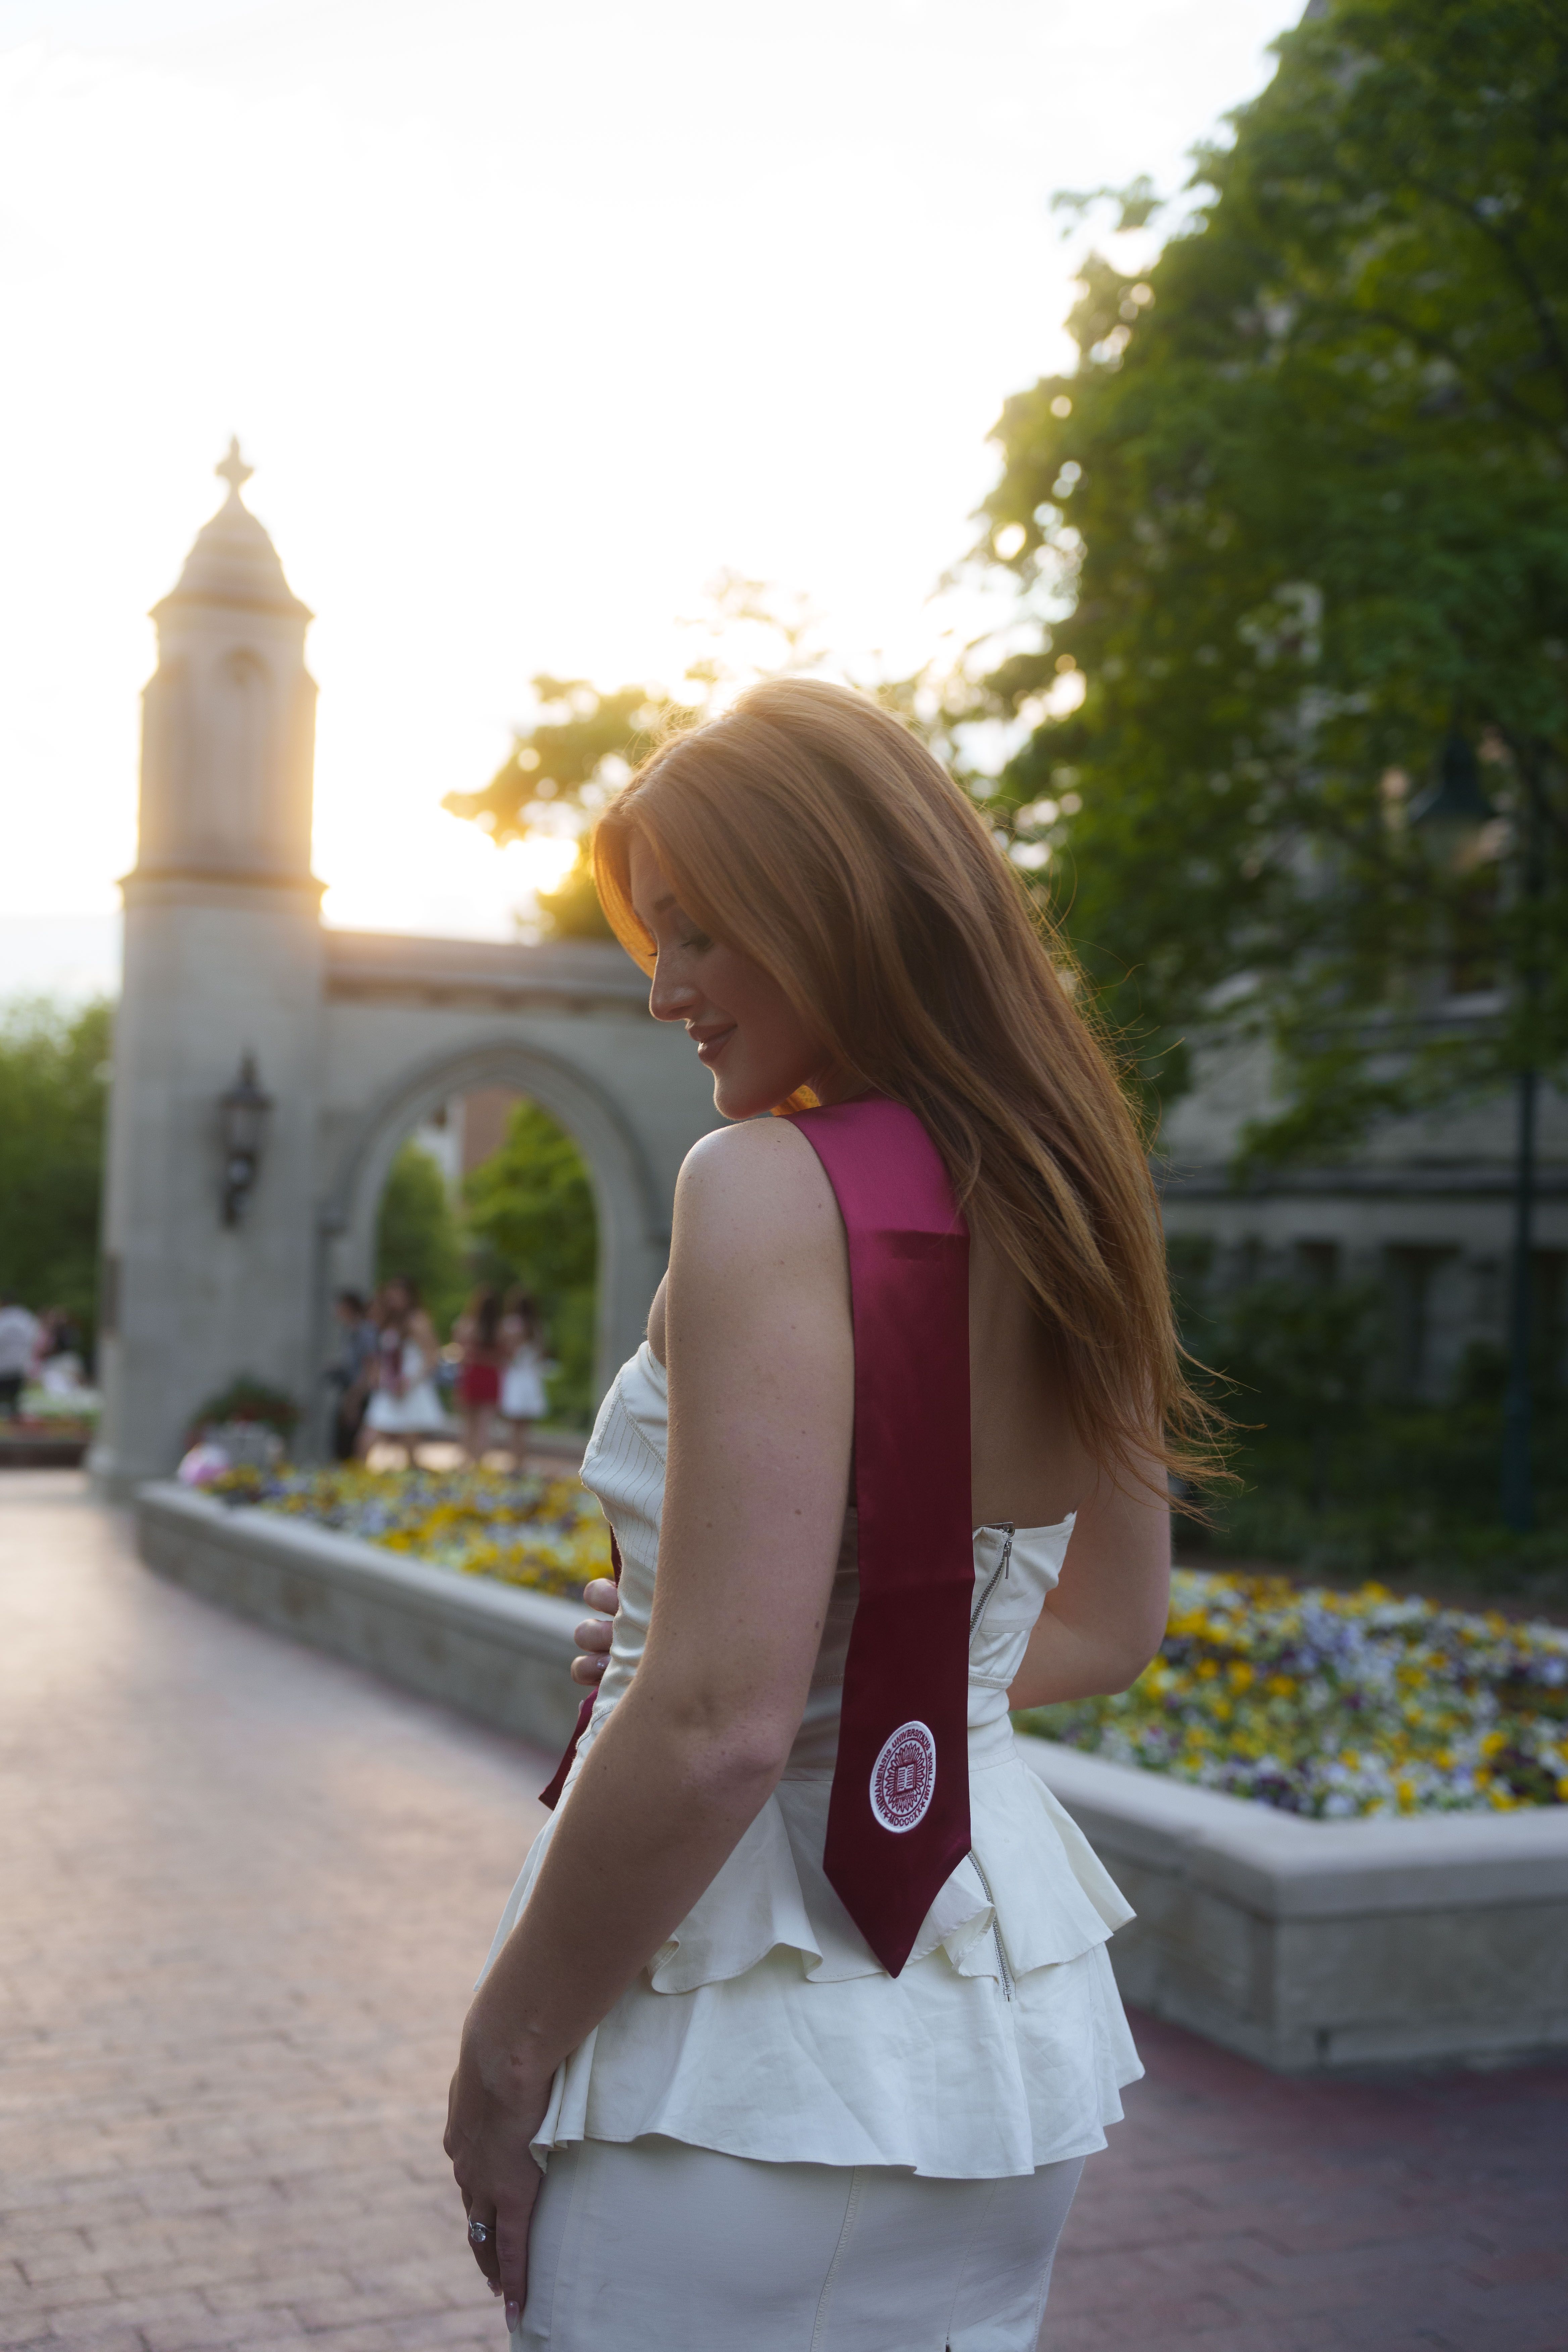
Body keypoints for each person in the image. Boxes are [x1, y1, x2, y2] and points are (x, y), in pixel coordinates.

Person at [443, 679, 1220, 2349]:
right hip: (992, 2040)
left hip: (740, 2054)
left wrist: (502, 2061)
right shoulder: (1074, 1177)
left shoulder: (757, 1187)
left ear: (839, 905)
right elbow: (1107, 1629)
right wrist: (819, 1662)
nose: (665, 992)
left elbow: (721, 1726)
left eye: (704, 936)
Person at [358, 1276, 448, 1460]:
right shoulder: (387, 1321)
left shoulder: (418, 1320)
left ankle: (414, 1486)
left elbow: (432, 1357)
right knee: (366, 1442)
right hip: (388, 1388)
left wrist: (410, 1382)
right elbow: (379, 1354)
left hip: (410, 1387)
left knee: (411, 1447)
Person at [498, 1288, 550, 1470]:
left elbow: (507, 1353)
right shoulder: (537, 1327)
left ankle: (514, 1462)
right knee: (525, 1427)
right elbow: (542, 1355)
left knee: (514, 1426)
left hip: (516, 1377)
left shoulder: (511, 1325)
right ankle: (522, 1462)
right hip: (531, 1378)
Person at [453, 1286, 506, 1462]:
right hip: (491, 1376)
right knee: (485, 1425)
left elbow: (460, 1352)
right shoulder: (501, 1329)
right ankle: (479, 1460)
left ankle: (466, 1459)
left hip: (473, 1374)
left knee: (468, 1424)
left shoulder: (469, 1325)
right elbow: (506, 1357)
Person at [325, 1289, 379, 1461]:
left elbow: (370, 1367)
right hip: (351, 1390)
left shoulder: (365, 1332)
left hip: (359, 1393)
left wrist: (355, 1399)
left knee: (351, 1440)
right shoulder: (351, 1332)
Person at [0, 1294, 42, 1421]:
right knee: (15, 1399)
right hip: (20, 1363)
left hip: (3, 1363)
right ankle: (14, 1419)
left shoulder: (4, 1317)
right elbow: (36, 1337)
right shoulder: (26, 1317)